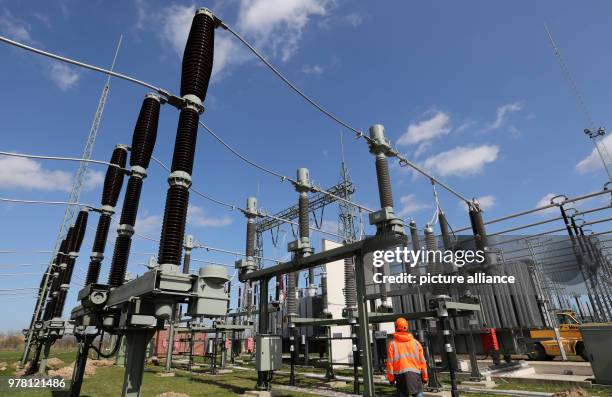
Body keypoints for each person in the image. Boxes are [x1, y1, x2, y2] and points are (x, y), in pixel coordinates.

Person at [386, 317, 428, 397]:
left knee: (401, 394)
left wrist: (391, 379)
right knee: (418, 393)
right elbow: (423, 362)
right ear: (407, 327)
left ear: (396, 327)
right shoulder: (416, 343)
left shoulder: (392, 344)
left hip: (400, 376)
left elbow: (390, 363)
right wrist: (425, 378)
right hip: (415, 375)